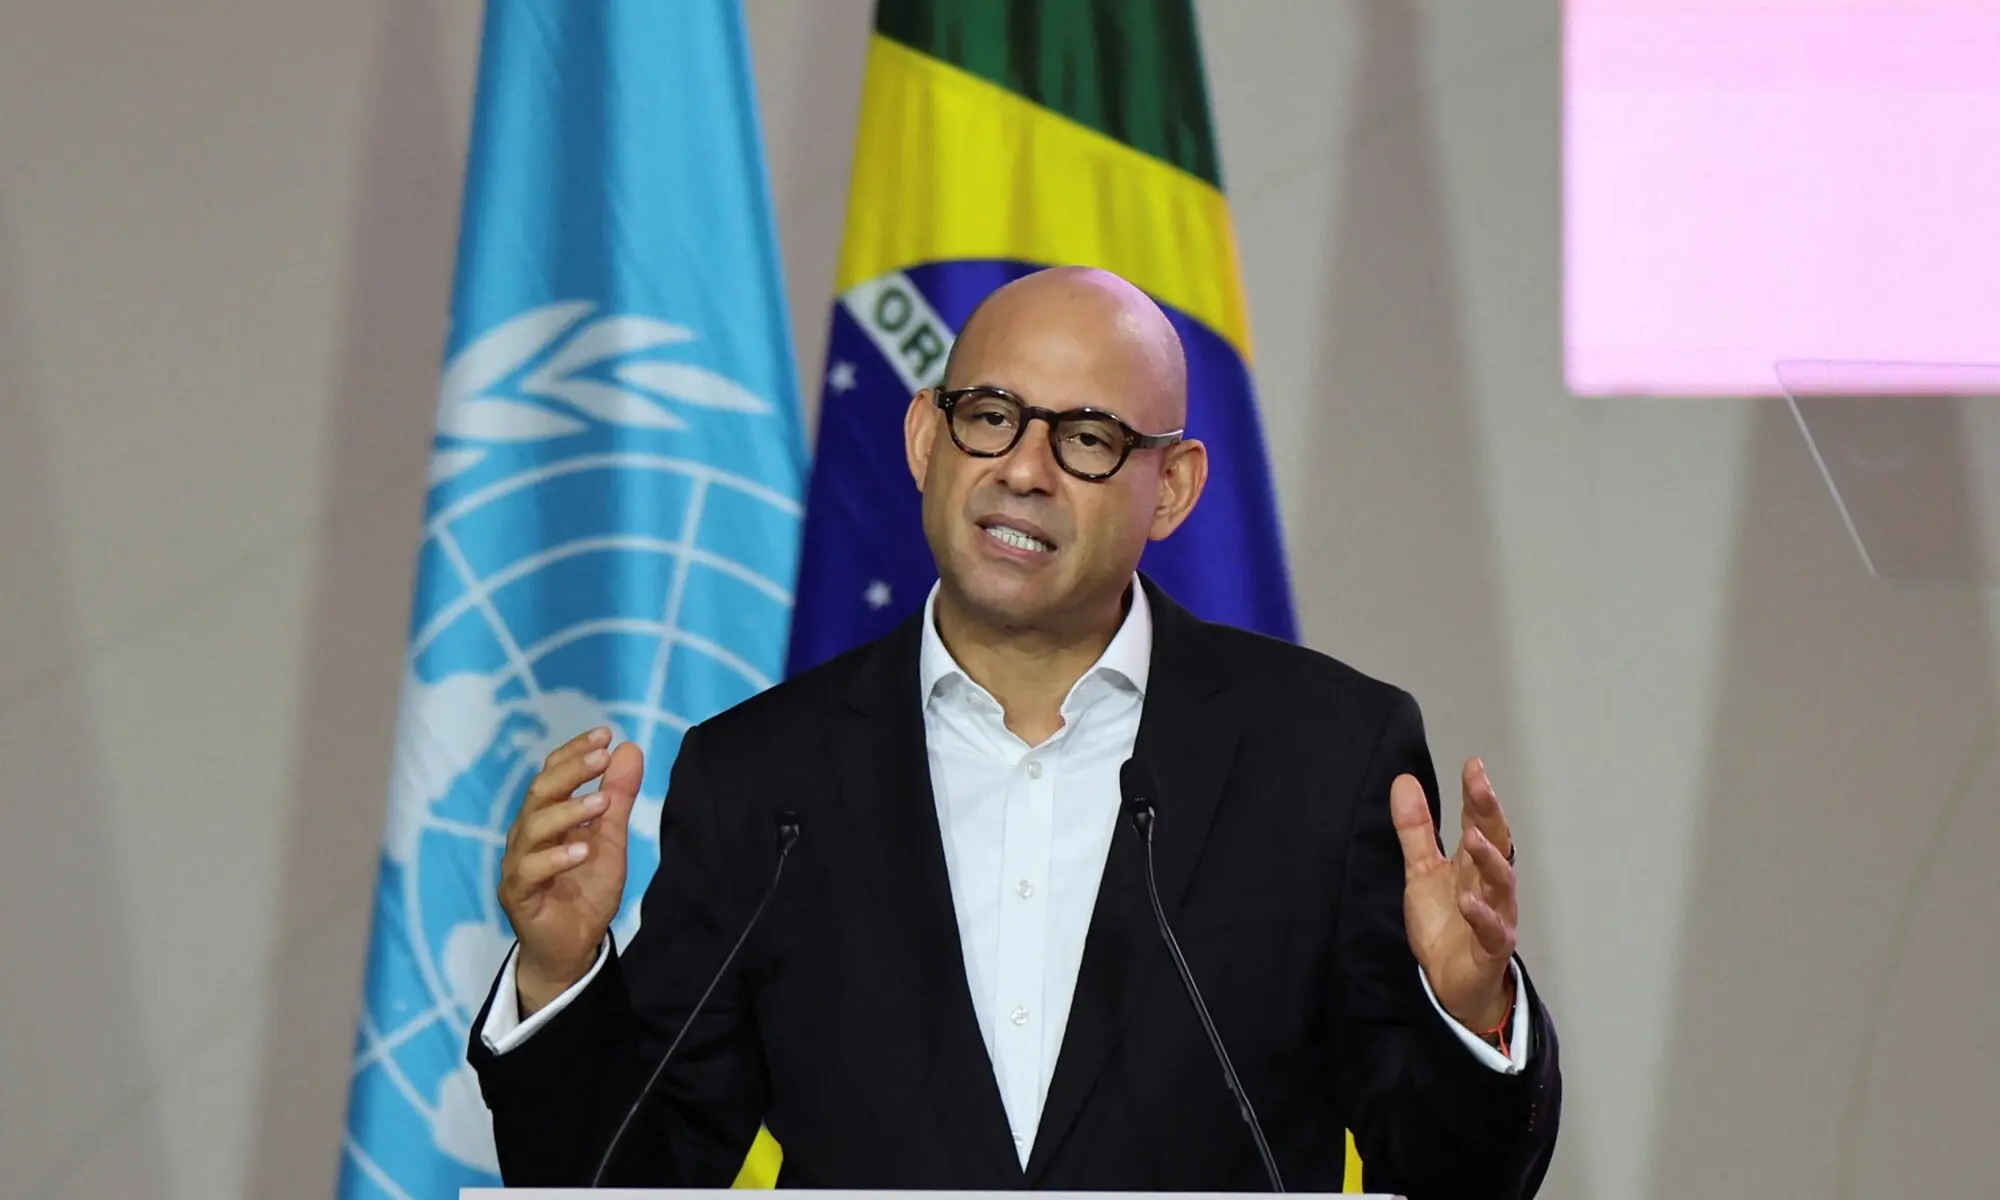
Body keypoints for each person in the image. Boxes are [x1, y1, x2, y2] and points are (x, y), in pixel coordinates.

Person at [468, 266, 1561, 1195]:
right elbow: (630, 1176)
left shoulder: (1322, 756)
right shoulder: (764, 778)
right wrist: (561, 982)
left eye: (1087, 437)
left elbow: (1453, 1178)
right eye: (988, 415)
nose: (1023, 470)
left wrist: (1468, 1019)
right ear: (922, 439)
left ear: (1170, 489)